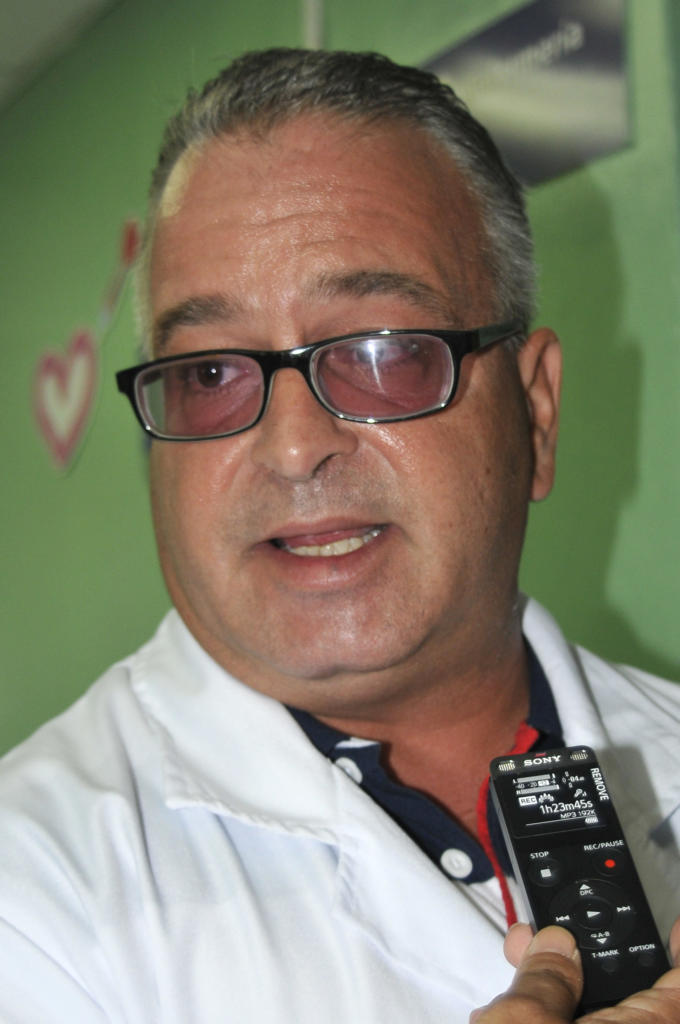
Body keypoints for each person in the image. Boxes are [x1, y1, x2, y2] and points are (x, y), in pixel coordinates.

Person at [1, 48, 679, 1023]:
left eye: (381, 352)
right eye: (208, 374)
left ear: (534, 414)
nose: (292, 448)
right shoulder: (28, 897)